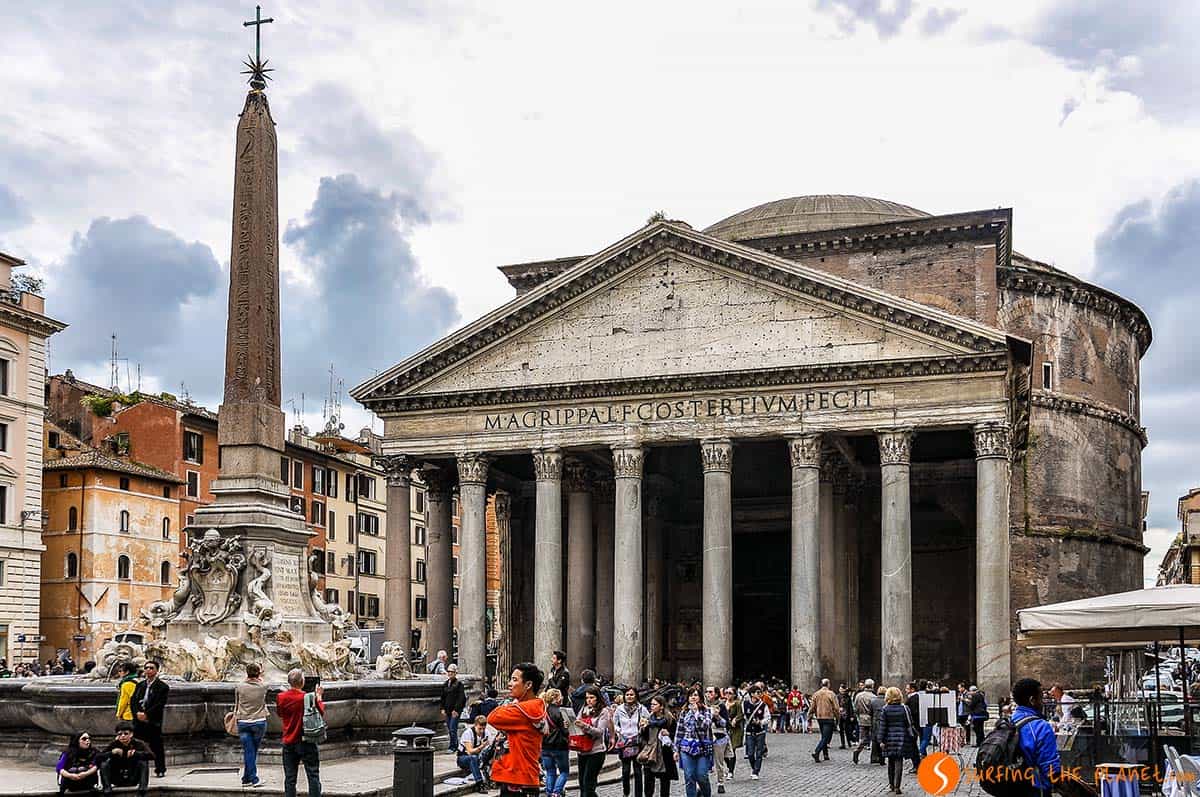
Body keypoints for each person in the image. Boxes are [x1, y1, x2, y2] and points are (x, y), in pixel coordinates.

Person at [487, 662, 548, 796]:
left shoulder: (522, 710)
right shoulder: (535, 707)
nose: (509, 684)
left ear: (528, 685)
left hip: (518, 778)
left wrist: (512, 703)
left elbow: (492, 717)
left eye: (514, 680)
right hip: (526, 776)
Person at [276, 668, 324, 797]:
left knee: (290, 778)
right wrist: (318, 696)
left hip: (288, 741)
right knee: (313, 774)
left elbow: (280, 713)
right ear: (302, 681)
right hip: (306, 740)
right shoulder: (308, 697)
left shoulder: (281, 697)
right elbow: (321, 712)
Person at [1011, 677, 1062, 797]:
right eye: (1041, 698)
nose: (1043, 701)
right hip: (1034, 789)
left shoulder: (1009, 721)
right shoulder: (1041, 727)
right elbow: (1050, 767)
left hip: (1010, 787)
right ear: (1032, 700)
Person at [130, 660, 169, 777]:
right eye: (146, 668)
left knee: (156, 745)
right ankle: (136, 769)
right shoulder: (140, 685)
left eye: (151, 668)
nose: (148, 670)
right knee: (136, 745)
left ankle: (160, 769)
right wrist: (136, 713)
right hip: (138, 721)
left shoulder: (163, 687)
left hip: (153, 721)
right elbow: (133, 701)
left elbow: (159, 704)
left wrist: (147, 714)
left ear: (157, 671)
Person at [674, 688, 714, 797]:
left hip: (702, 747)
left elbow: (706, 726)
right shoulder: (684, 712)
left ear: (700, 697)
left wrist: (696, 713)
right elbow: (680, 730)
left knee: (702, 776)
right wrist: (676, 749)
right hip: (686, 747)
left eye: (696, 695)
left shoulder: (707, 711)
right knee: (689, 776)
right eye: (691, 695)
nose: (693, 697)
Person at [234, 662, 269, 787]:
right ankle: (254, 779)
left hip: (243, 722)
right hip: (259, 722)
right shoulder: (263, 686)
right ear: (259, 673)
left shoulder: (239, 686)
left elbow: (236, 703)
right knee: (252, 751)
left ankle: (246, 779)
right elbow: (264, 681)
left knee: (249, 751)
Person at [878, 687, 917, 795]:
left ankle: (891, 784)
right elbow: (909, 723)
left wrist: (880, 740)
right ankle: (897, 786)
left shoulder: (885, 709)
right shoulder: (905, 708)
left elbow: (882, 726)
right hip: (902, 738)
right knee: (899, 761)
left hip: (888, 738)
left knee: (890, 762)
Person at [613, 685, 650, 797]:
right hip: (624, 742)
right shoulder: (619, 709)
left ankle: (638, 794)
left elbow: (648, 720)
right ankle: (626, 792)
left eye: (631, 694)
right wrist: (619, 731)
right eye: (627, 695)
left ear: (636, 696)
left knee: (638, 770)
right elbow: (614, 723)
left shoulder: (641, 708)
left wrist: (643, 726)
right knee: (625, 770)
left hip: (637, 741)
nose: (629, 697)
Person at [574, 686, 610, 797]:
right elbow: (577, 723)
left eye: (591, 697)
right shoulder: (584, 709)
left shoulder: (603, 711)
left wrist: (585, 726)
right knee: (582, 784)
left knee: (588, 784)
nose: (589, 700)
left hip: (596, 751)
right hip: (583, 750)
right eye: (587, 698)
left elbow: (600, 732)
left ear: (598, 698)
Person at [99, 724, 151, 797]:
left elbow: (151, 755)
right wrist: (111, 752)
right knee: (104, 764)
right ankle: (107, 790)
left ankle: (142, 790)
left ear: (131, 734)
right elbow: (98, 757)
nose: (123, 736)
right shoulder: (114, 744)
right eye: (120, 734)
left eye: (126, 734)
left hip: (133, 776)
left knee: (143, 762)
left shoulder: (138, 743)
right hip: (117, 777)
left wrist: (136, 753)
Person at [642, 695, 678, 797]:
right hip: (650, 751)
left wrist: (669, 733)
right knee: (648, 779)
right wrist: (643, 728)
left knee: (664, 781)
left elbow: (676, 734)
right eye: (651, 704)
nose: (652, 706)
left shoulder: (669, 719)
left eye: (654, 704)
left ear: (661, 706)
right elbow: (644, 736)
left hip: (664, 753)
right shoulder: (648, 718)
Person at [540, 688, 571, 797]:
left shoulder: (542, 711)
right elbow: (565, 731)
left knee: (550, 772)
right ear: (556, 698)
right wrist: (567, 728)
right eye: (560, 696)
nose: (562, 698)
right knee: (564, 772)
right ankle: (556, 792)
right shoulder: (560, 712)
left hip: (545, 746)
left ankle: (549, 793)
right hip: (559, 746)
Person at [460, 713, 497, 794]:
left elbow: (490, 747)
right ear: (475, 725)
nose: (482, 731)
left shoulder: (486, 732)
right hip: (463, 758)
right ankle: (480, 784)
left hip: (479, 757)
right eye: (479, 728)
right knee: (473, 757)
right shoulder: (468, 733)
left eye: (483, 728)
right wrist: (482, 746)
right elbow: (470, 751)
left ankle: (494, 781)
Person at [704, 686, 730, 794]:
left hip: (718, 737)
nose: (708, 694)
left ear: (716, 694)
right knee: (704, 762)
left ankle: (720, 783)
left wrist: (718, 716)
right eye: (706, 692)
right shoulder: (703, 706)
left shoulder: (721, 705)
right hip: (705, 737)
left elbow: (725, 723)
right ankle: (702, 784)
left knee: (719, 762)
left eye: (710, 692)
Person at [742, 685, 770, 779]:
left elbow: (767, 717)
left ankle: (756, 771)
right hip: (749, 731)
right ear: (752, 694)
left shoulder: (763, 705)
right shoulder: (745, 704)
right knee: (750, 753)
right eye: (757, 693)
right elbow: (742, 715)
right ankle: (754, 767)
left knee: (759, 753)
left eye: (760, 692)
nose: (760, 694)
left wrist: (760, 722)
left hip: (760, 732)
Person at [810, 678, 839, 763]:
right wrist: (838, 717)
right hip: (828, 717)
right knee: (826, 737)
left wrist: (810, 715)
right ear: (828, 684)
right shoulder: (831, 694)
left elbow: (812, 707)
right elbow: (836, 708)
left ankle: (826, 755)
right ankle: (817, 751)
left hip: (819, 717)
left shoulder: (816, 694)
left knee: (824, 736)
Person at [441, 663, 468, 753]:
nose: (450, 674)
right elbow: (443, 697)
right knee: (450, 728)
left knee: (453, 728)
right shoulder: (445, 684)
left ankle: (453, 746)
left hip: (455, 711)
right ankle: (455, 744)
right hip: (448, 710)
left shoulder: (459, 684)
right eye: (448, 672)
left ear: (455, 673)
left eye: (452, 672)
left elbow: (461, 698)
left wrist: (456, 710)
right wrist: (442, 708)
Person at [852, 679, 876, 764]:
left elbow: (855, 708)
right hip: (871, 719)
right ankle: (875, 756)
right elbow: (874, 710)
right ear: (872, 686)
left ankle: (857, 750)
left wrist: (858, 716)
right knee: (874, 738)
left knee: (863, 738)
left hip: (861, 719)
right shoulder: (873, 697)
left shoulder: (859, 695)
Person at [722, 687, 743, 779]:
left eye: (730, 693)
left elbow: (740, 715)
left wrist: (735, 720)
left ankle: (731, 771)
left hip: (735, 730)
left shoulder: (737, 703)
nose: (728, 695)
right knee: (723, 751)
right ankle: (728, 766)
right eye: (726, 693)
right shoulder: (723, 704)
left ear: (734, 694)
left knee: (732, 750)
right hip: (725, 729)